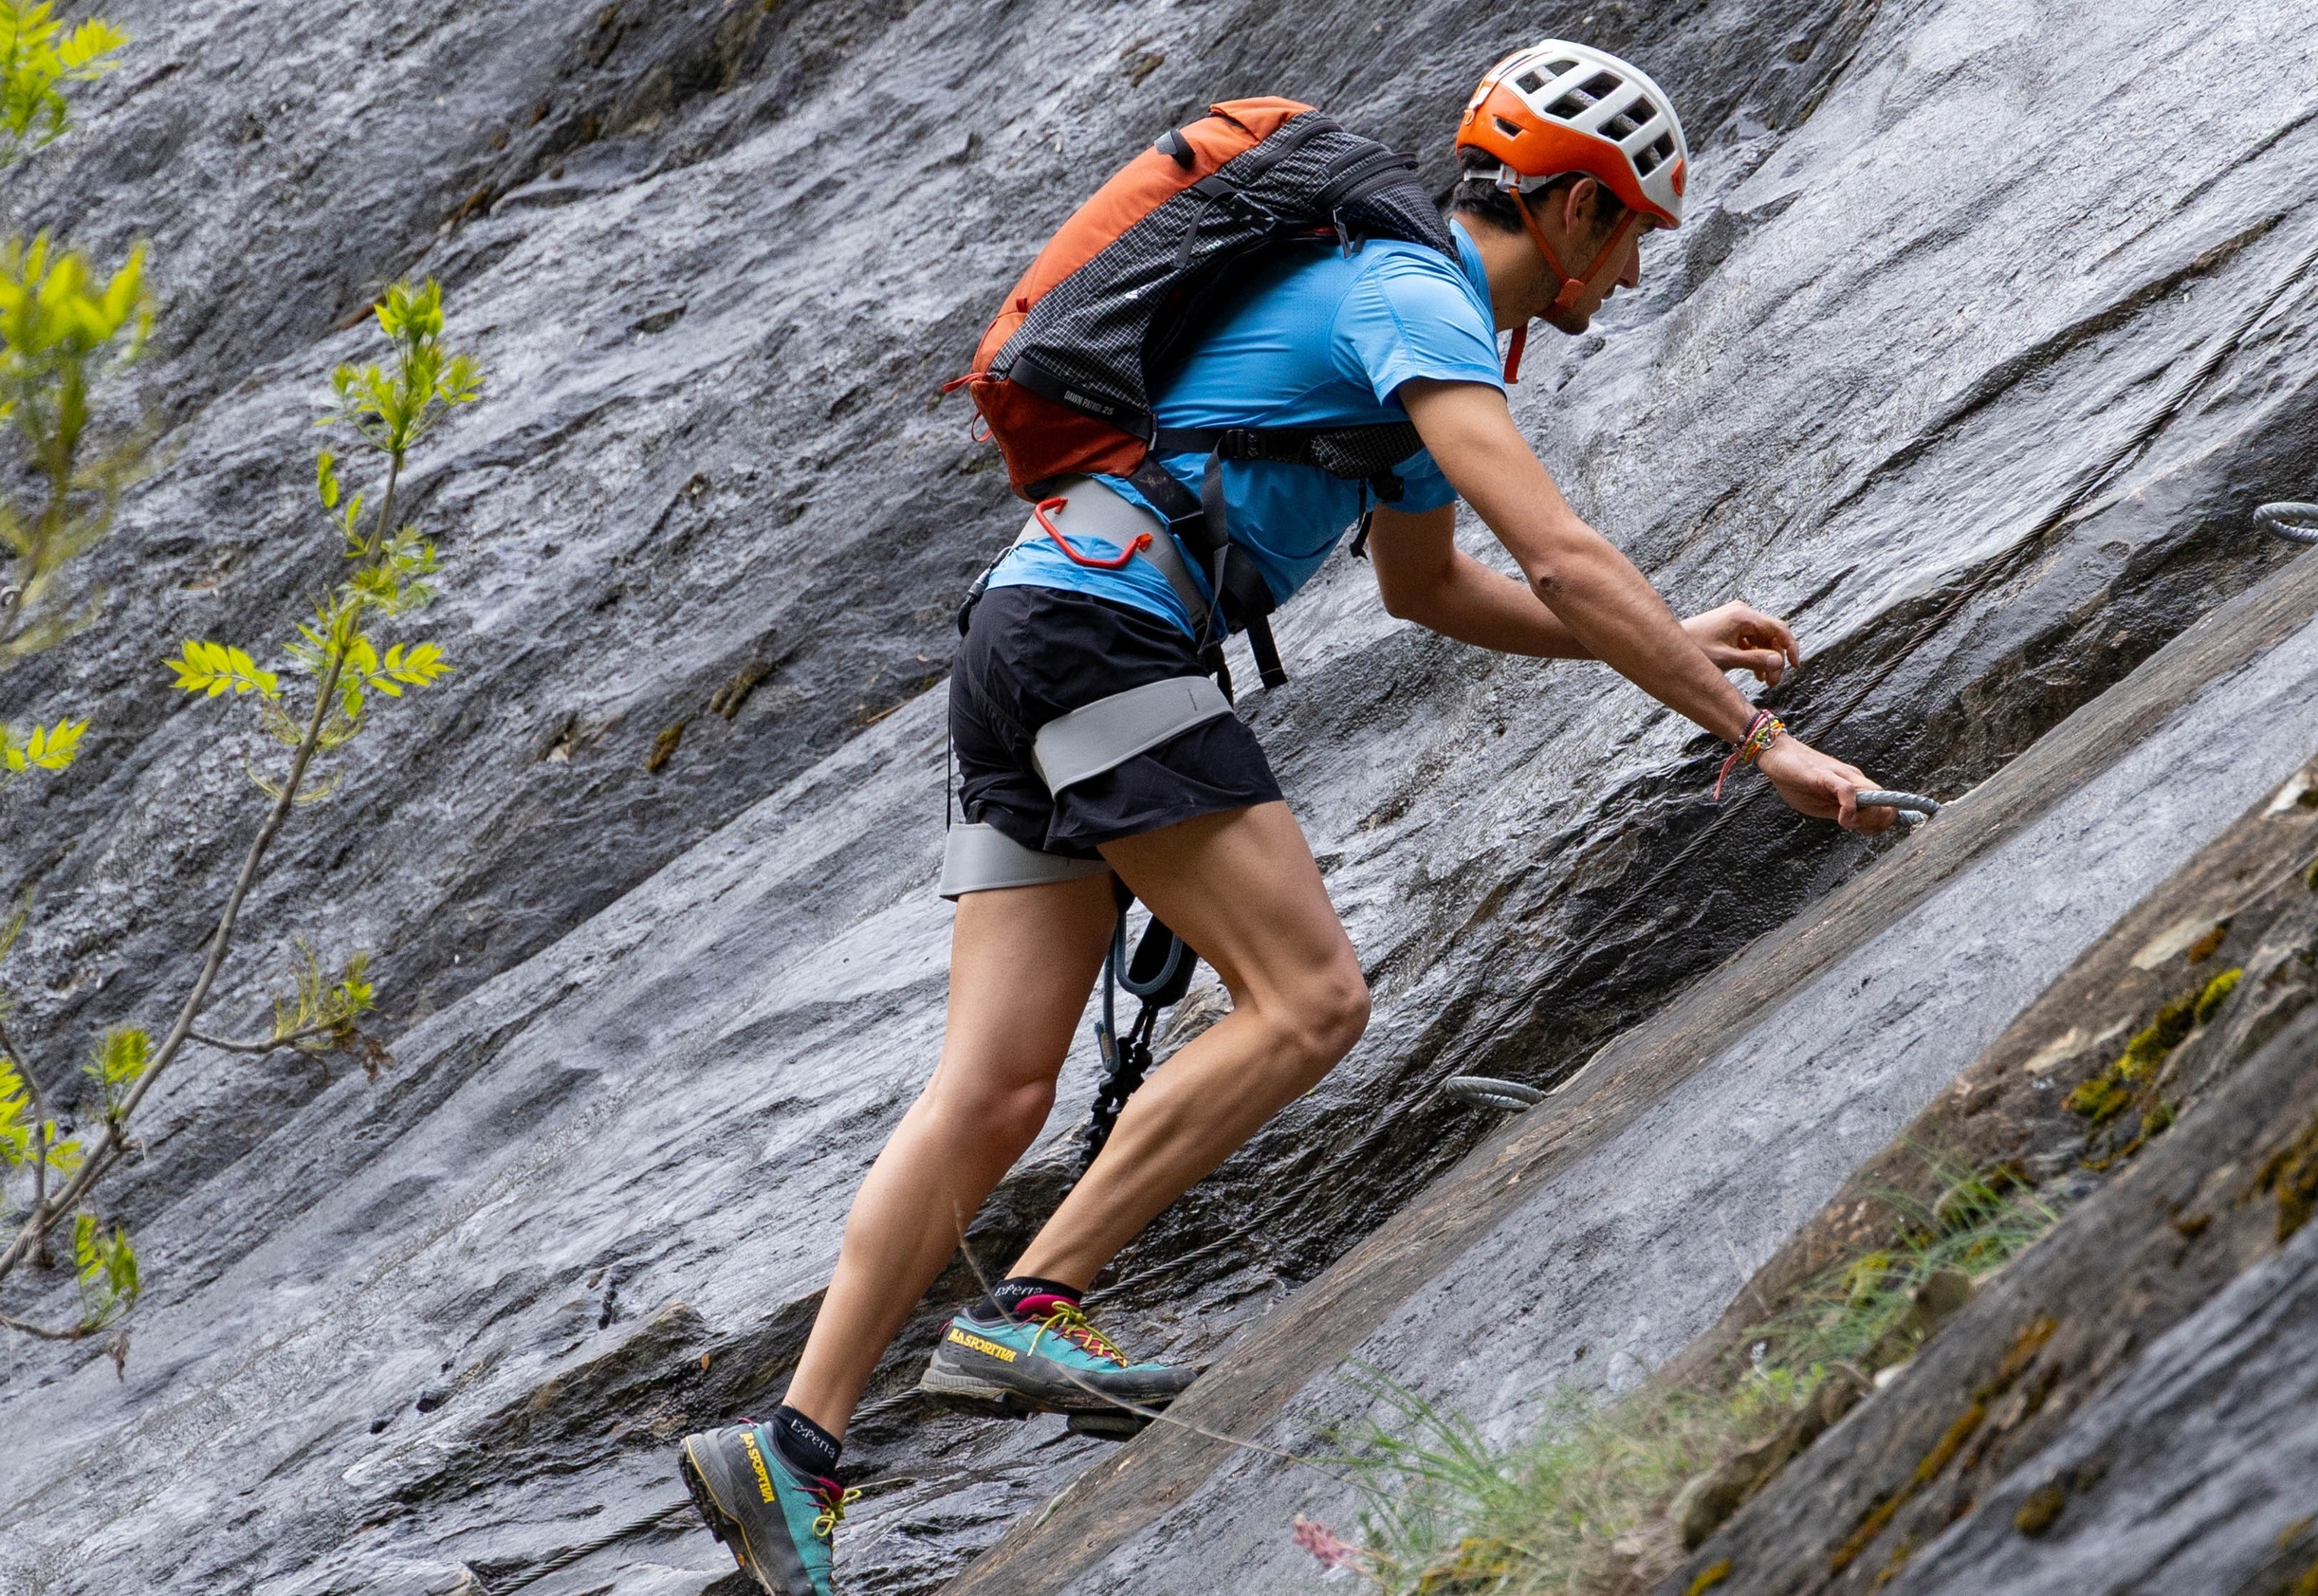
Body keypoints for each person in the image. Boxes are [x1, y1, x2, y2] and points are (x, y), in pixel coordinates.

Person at [677, 40, 1898, 1596]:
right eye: (1640, 227)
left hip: (1030, 628)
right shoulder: (1421, 299)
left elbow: (1433, 586)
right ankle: (1029, 1314)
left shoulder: (1398, 311)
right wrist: (1761, 736)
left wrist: (1667, 631)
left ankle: (791, 1447)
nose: (1641, 265)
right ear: (1580, 210)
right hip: (1108, 633)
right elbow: (1566, 555)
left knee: (991, 1093)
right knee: (1310, 999)